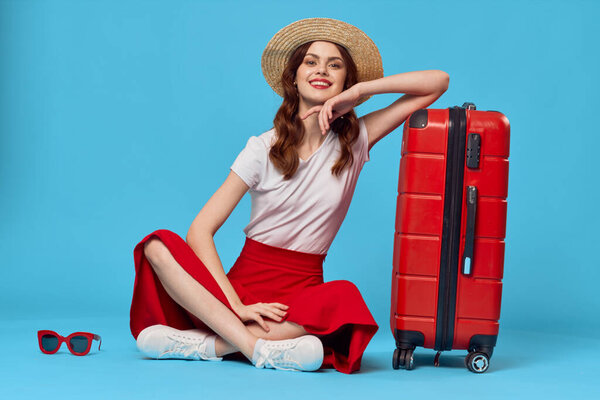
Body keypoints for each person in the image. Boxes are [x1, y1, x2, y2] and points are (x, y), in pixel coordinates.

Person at [129, 18, 449, 374]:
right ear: (293, 77)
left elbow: (437, 83)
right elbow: (199, 230)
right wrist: (236, 305)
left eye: (335, 64)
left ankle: (209, 344)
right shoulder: (261, 148)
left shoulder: (357, 138)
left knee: (345, 297)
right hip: (241, 288)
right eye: (310, 62)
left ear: (345, 81)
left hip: (299, 298)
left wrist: (360, 94)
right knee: (157, 245)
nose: (321, 70)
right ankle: (254, 347)